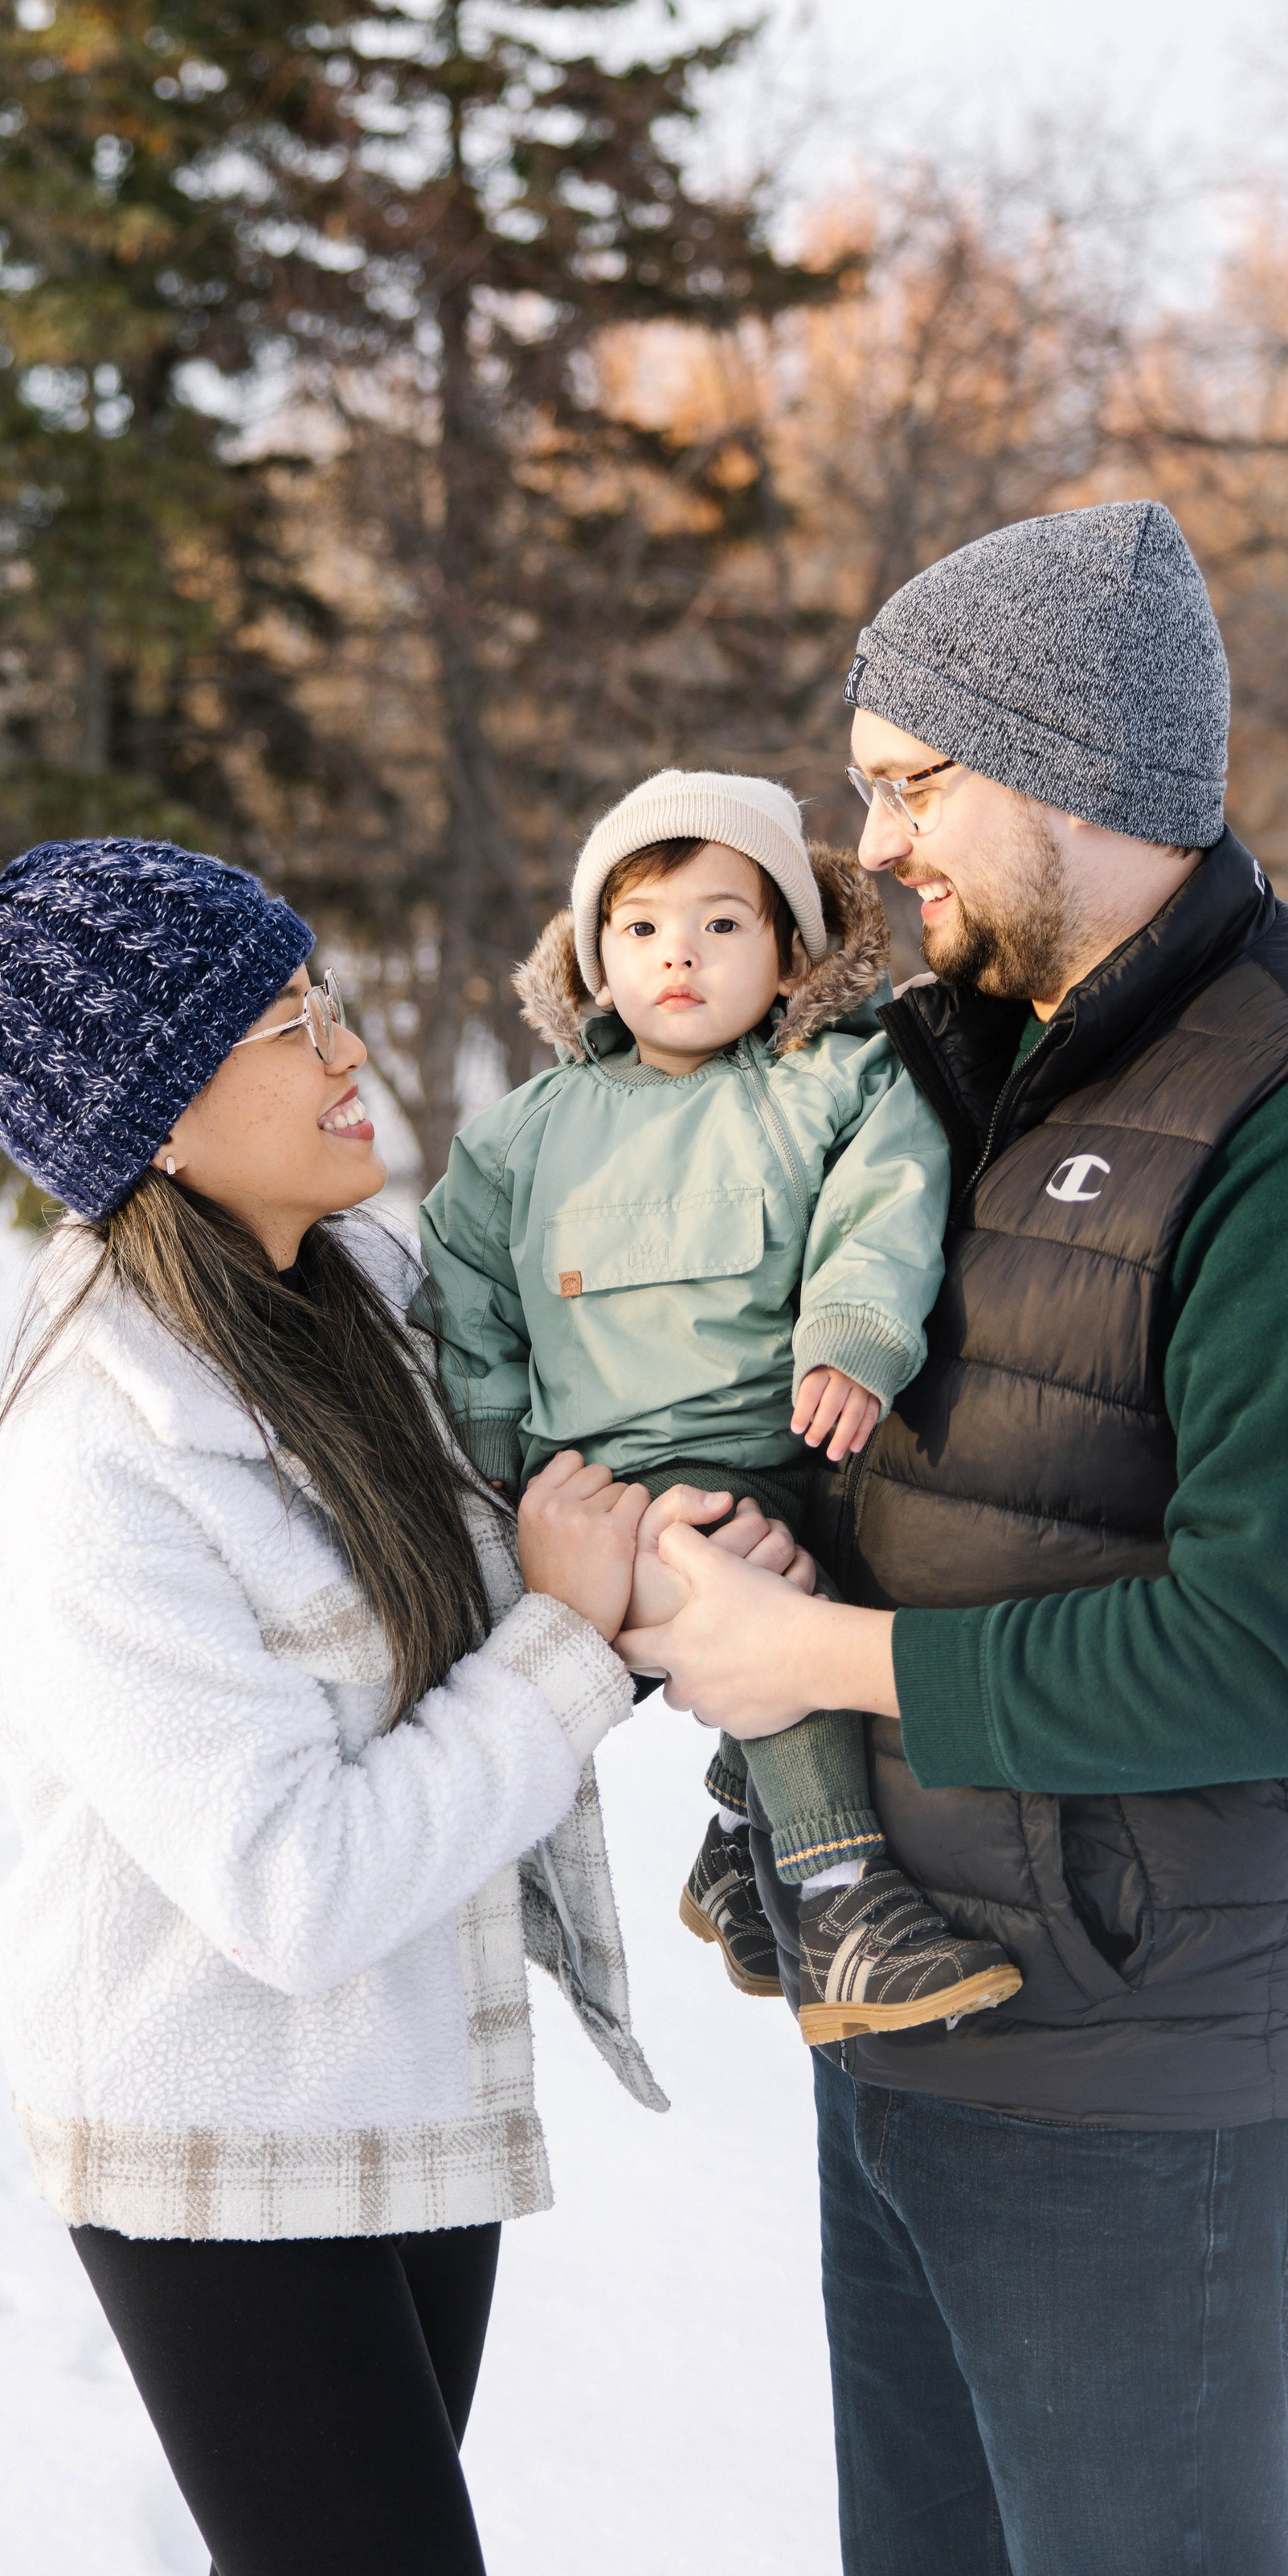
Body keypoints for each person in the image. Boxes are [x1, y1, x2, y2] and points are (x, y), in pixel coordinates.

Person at [622, 501, 1288, 2576]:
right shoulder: (968, 1059)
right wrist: (734, 1531)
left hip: (1149, 2093)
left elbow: (1262, 1651)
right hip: (915, 2027)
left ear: (1072, 775)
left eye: (912, 784)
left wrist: (818, 1654)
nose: (879, 840)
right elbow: (973, 1462)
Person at [0, 818, 796, 2576]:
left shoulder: (367, 1309)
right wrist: (573, 1642)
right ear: (157, 1112)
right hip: (211, 2139)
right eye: (287, 1019)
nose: (346, 1042)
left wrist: (654, 1576)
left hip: (405, 2090)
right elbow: (296, 1884)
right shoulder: (95, 1466)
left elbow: (493, 1620)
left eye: (322, 991)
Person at [417, 768, 1020, 2044]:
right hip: (619, 1493)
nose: (677, 953)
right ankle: (839, 1895)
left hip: (810, 1438)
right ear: (591, 958)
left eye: (721, 923)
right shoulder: (523, 1136)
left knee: (870, 1562)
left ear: (792, 948)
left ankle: (743, 1850)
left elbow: (884, 1207)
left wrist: (853, 1336)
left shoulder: (833, 1085)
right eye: (638, 927)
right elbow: (468, 1298)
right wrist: (496, 1460)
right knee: (753, 1595)